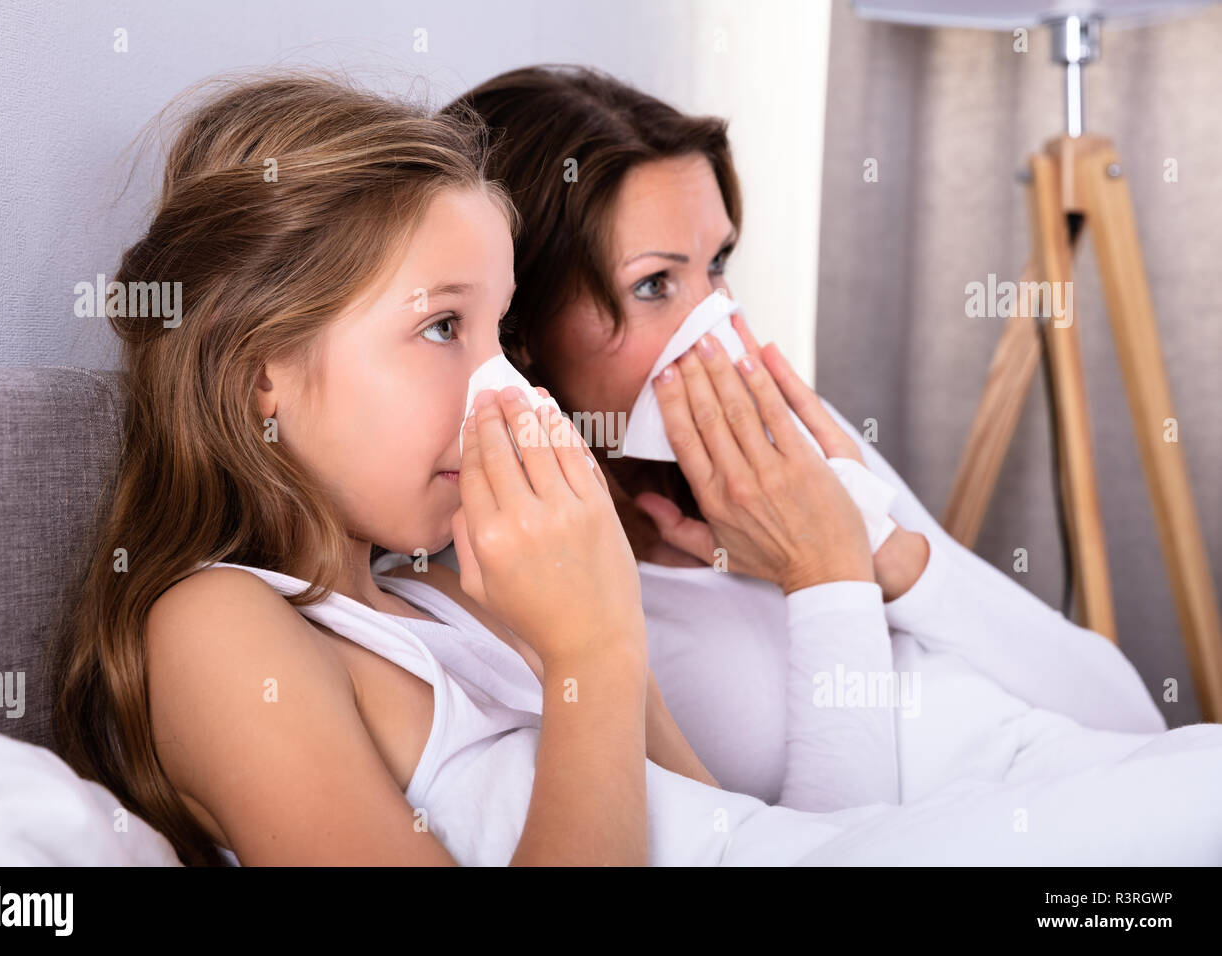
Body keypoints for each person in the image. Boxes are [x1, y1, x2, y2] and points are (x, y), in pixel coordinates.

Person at [49, 69, 1222, 867]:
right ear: (266, 370)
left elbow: (732, 822)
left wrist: (851, 558)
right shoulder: (216, 622)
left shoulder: (441, 594)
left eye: (495, 329)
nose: (501, 388)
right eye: (442, 328)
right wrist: (599, 642)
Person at [442, 65, 1188, 813]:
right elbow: (828, 846)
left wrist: (885, 547)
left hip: (1142, 791)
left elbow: (1129, 717)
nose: (719, 325)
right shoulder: (546, 585)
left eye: (717, 267)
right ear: (521, 324)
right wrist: (825, 572)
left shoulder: (791, 453)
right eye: (654, 286)